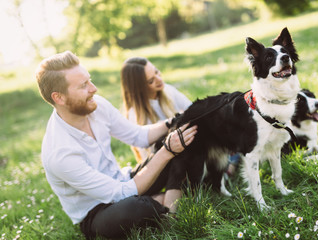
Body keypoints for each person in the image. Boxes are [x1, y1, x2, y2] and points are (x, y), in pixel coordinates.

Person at [35, 51, 197, 239]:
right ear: (59, 98)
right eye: (83, 86)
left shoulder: (96, 105)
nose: (93, 89)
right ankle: (176, 197)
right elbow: (120, 194)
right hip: (97, 212)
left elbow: (138, 136)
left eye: (90, 80)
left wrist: (172, 122)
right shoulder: (59, 153)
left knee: (174, 140)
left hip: (124, 180)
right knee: (135, 208)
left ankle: (167, 208)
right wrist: (167, 152)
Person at [121, 57, 192, 162]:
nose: (159, 79)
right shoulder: (135, 115)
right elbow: (149, 157)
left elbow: (192, 110)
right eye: (151, 81)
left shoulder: (168, 91)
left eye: (157, 72)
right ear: (139, 88)